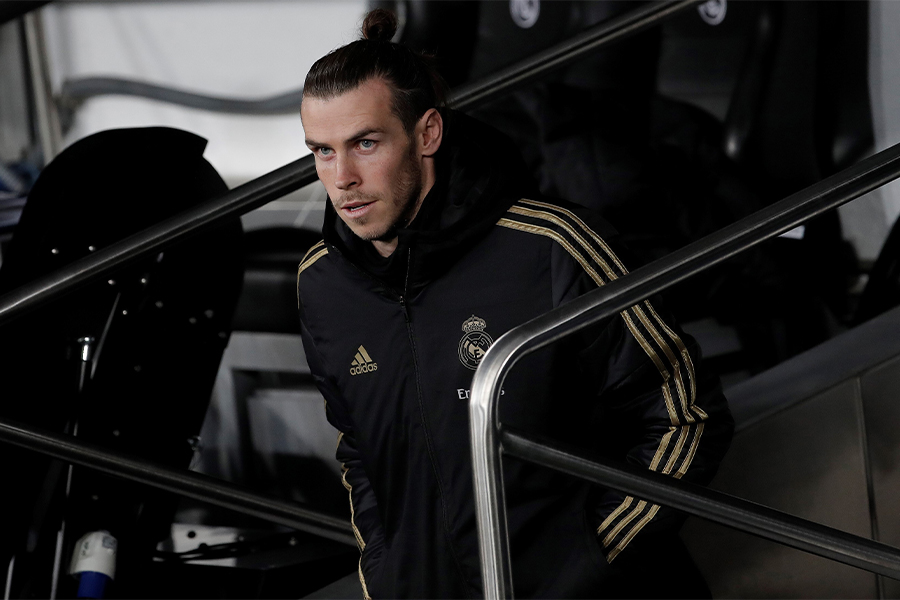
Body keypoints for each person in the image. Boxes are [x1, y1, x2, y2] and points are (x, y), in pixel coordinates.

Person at [296, 9, 733, 599]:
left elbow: (685, 417)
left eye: (365, 143)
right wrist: (387, 572)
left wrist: (580, 562)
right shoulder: (323, 282)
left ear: (427, 133)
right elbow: (360, 452)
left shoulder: (552, 247)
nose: (342, 177)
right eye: (322, 151)